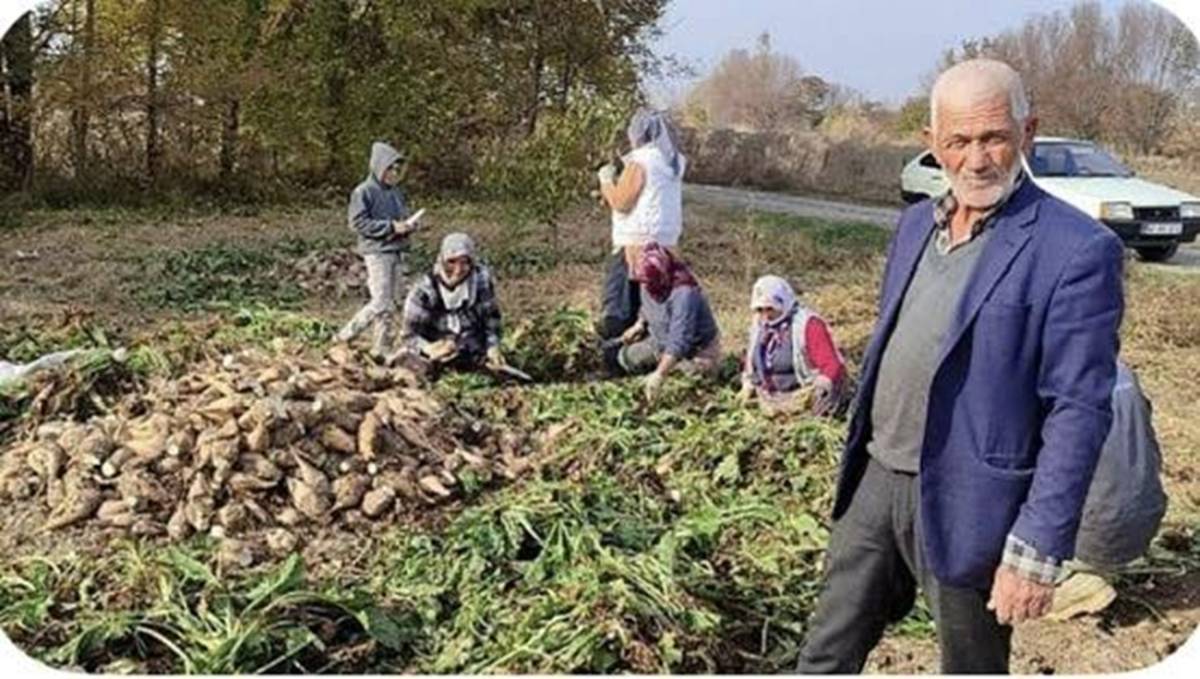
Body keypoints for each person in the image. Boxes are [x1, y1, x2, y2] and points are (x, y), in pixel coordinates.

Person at [796, 59, 1124, 674]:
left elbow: (1078, 409)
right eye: (959, 142)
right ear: (932, 146)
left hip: (973, 501)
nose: (977, 159)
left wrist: (1039, 544)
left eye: (995, 137)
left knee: (970, 666)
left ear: (1028, 132)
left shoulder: (1076, 249)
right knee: (824, 653)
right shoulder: (916, 225)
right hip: (876, 479)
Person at [1048, 359, 1167, 620]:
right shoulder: (1122, 368)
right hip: (1144, 519)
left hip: (1094, 534)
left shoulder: (1041, 375)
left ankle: (1072, 576)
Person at [596, 109, 688, 347]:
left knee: (619, 304)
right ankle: (646, 353)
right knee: (653, 302)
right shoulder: (673, 160)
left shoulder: (642, 160)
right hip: (668, 244)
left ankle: (615, 357)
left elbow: (622, 202)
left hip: (635, 243)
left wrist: (606, 181)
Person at [335, 141, 423, 358]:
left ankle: (380, 347)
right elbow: (357, 223)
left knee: (391, 302)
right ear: (378, 167)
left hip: (396, 249)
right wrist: (391, 227)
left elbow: (400, 218)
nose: (394, 172)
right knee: (380, 301)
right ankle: (345, 335)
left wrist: (409, 225)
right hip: (377, 252)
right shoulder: (363, 192)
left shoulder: (395, 193)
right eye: (390, 168)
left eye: (396, 168)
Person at [616, 242, 720, 401]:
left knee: (679, 383)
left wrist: (659, 375)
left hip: (694, 350)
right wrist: (639, 324)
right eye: (643, 283)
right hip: (659, 342)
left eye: (649, 283)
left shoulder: (684, 294)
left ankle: (693, 369)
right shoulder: (647, 278)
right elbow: (648, 305)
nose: (646, 287)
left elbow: (680, 340)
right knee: (625, 358)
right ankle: (659, 368)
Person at [737, 275, 847, 416]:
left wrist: (820, 389)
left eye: (770, 309)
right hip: (771, 397)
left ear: (783, 303)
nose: (765, 315)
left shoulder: (808, 325)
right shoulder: (759, 325)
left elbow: (832, 365)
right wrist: (748, 382)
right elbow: (751, 359)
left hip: (803, 394)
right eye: (760, 310)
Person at [398, 232, 505, 373]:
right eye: (451, 262)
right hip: (436, 345)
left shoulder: (481, 281)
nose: (458, 270)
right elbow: (409, 335)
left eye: (464, 262)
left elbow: (491, 318)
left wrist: (493, 346)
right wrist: (429, 348)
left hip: (470, 343)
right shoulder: (424, 290)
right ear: (442, 260)